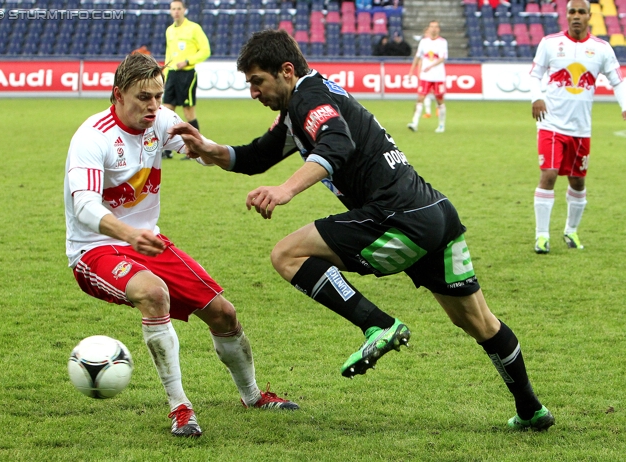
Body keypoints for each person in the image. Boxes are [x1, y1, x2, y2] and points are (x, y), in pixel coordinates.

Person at [170, 29, 555, 431]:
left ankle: (378, 324)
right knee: (479, 322)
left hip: (397, 214)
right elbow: (258, 156)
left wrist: (286, 190)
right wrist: (210, 150)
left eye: (257, 82)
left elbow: (336, 144)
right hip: (435, 212)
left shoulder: (309, 99)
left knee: (287, 254)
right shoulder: (302, 106)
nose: (253, 92)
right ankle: (531, 409)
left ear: (286, 71)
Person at [64, 53, 299, 438]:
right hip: (96, 247)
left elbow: (203, 153)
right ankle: (180, 408)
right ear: (117, 94)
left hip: (148, 242)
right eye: (143, 97)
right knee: (154, 293)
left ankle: (253, 396)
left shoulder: (163, 121)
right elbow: (84, 205)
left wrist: (204, 148)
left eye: (158, 96)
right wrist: (127, 235)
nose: (153, 106)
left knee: (223, 313)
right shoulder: (93, 136)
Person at [529, 0, 626, 254]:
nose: (576, 16)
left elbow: (618, 81)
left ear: (589, 16)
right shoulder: (550, 43)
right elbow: (534, 75)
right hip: (551, 124)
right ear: (566, 15)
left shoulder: (601, 48)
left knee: (578, 181)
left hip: (581, 128)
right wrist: (536, 97)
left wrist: (625, 105)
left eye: (581, 12)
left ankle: (571, 230)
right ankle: (542, 236)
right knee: (548, 174)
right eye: (571, 11)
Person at [163, 0, 210, 160]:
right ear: (170, 11)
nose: (176, 11)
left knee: (188, 112)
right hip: (173, 75)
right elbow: (169, 54)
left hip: (187, 75)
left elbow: (206, 50)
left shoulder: (194, 28)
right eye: (173, 9)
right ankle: (167, 149)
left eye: (178, 9)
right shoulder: (169, 30)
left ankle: (197, 148)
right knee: (166, 112)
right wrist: (165, 72)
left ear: (184, 10)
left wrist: (188, 61)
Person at [407, 20, 448, 133]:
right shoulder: (424, 42)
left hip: (438, 76)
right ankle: (414, 123)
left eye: (436, 27)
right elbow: (417, 57)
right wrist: (411, 71)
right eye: (431, 27)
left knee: (439, 100)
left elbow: (442, 58)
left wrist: (431, 66)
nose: (433, 29)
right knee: (420, 98)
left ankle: (441, 125)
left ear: (438, 29)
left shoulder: (442, 42)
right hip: (426, 76)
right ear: (429, 29)